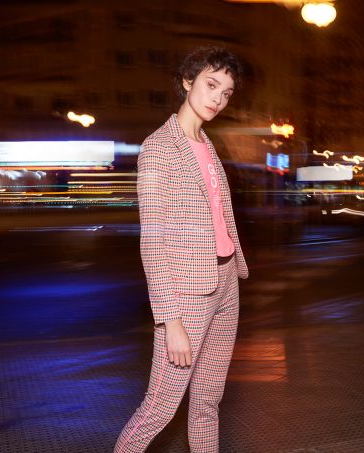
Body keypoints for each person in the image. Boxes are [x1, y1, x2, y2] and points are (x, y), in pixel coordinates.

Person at [115, 45, 249, 453]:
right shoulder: (159, 148)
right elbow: (152, 240)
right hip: (186, 295)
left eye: (226, 92)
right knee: (159, 408)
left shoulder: (206, 144)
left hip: (226, 281)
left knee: (207, 403)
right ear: (187, 82)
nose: (218, 98)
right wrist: (169, 319)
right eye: (211, 85)